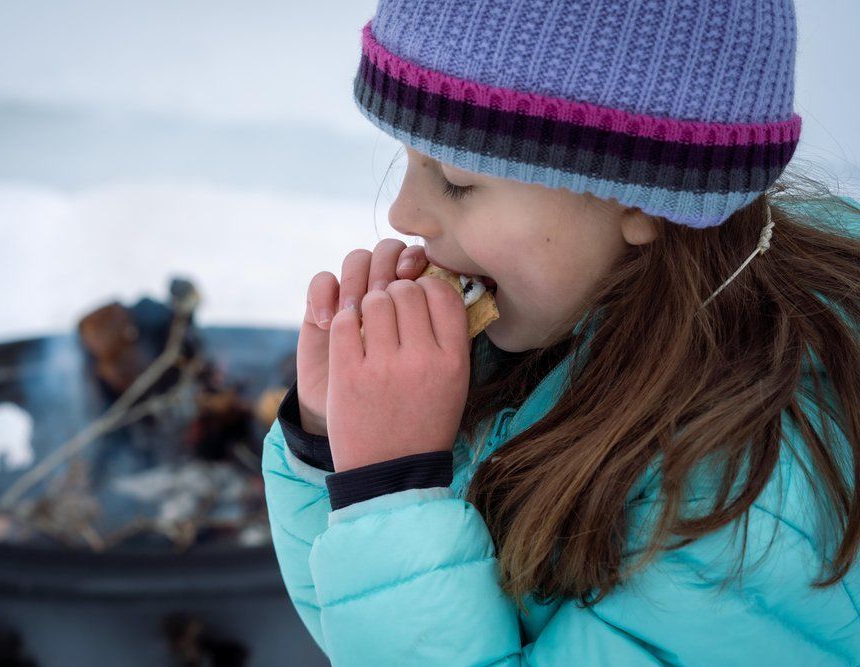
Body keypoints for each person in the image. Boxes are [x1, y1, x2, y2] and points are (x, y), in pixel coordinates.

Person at [262, 1, 860, 664]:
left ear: (641, 193)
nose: (404, 213)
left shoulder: (749, 510)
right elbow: (376, 627)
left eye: (457, 181)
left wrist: (390, 491)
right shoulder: (542, 345)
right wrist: (329, 448)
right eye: (405, 159)